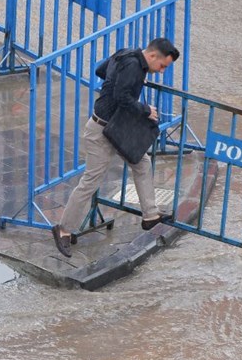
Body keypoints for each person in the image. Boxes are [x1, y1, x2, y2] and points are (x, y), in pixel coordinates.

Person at [49, 38, 181, 257]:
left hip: (114, 127)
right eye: (162, 66)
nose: (161, 71)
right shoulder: (133, 66)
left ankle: (150, 216)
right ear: (152, 56)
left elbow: (101, 70)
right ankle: (63, 230)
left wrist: (114, 85)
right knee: (90, 181)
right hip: (101, 132)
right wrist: (145, 109)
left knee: (141, 162)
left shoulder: (125, 53)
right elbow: (122, 97)